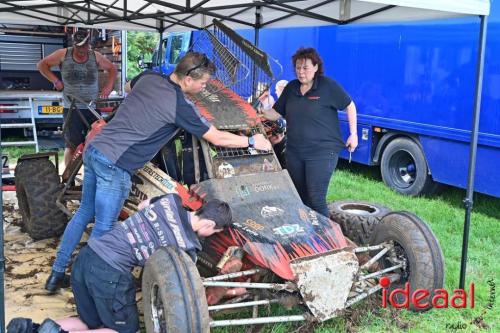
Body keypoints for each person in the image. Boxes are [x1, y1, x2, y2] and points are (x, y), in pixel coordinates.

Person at [45, 51, 271, 292]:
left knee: (83, 213)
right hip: (116, 164)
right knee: (104, 228)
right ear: (188, 79)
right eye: (203, 83)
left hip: (96, 150)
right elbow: (215, 137)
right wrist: (251, 142)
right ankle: (92, 286)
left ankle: (56, 275)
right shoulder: (180, 106)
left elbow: (129, 87)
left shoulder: (149, 77)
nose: (204, 87)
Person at [9, 194, 233, 333]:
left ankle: (32, 329)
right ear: (210, 224)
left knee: (91, 321)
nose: (207, 236)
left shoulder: (171, 201)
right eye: (213, 232)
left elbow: (145, 205)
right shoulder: (187, 246)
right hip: (109, 274)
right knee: (123, 330)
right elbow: (178, 280)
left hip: (87, 257)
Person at [262, 47, 358, 217]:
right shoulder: (291, 88)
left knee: (316, 197)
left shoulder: (327, 86)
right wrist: (258, 111)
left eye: (305, 67)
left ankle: (328, 238)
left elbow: (349, 105)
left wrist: (353, 134)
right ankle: (307, 233)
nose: (301, 72)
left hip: (322, 152)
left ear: (316, 67)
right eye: (298, 67)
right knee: (299, 196)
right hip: (295, 151)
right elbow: (276, 113)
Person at [37, 29, 117, 167]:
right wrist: (55, 81)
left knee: (96, 143)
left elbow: (112, 69)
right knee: (72, 145)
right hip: (72, 108)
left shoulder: (95, 56)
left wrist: (109, 87)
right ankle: (68, 177)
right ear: (74, 44)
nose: (80, 52)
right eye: (78, 48)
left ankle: (93, 174)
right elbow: (42, 65)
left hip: (91, 107)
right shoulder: (63, 54)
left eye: (83, 48)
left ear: (88, 45)